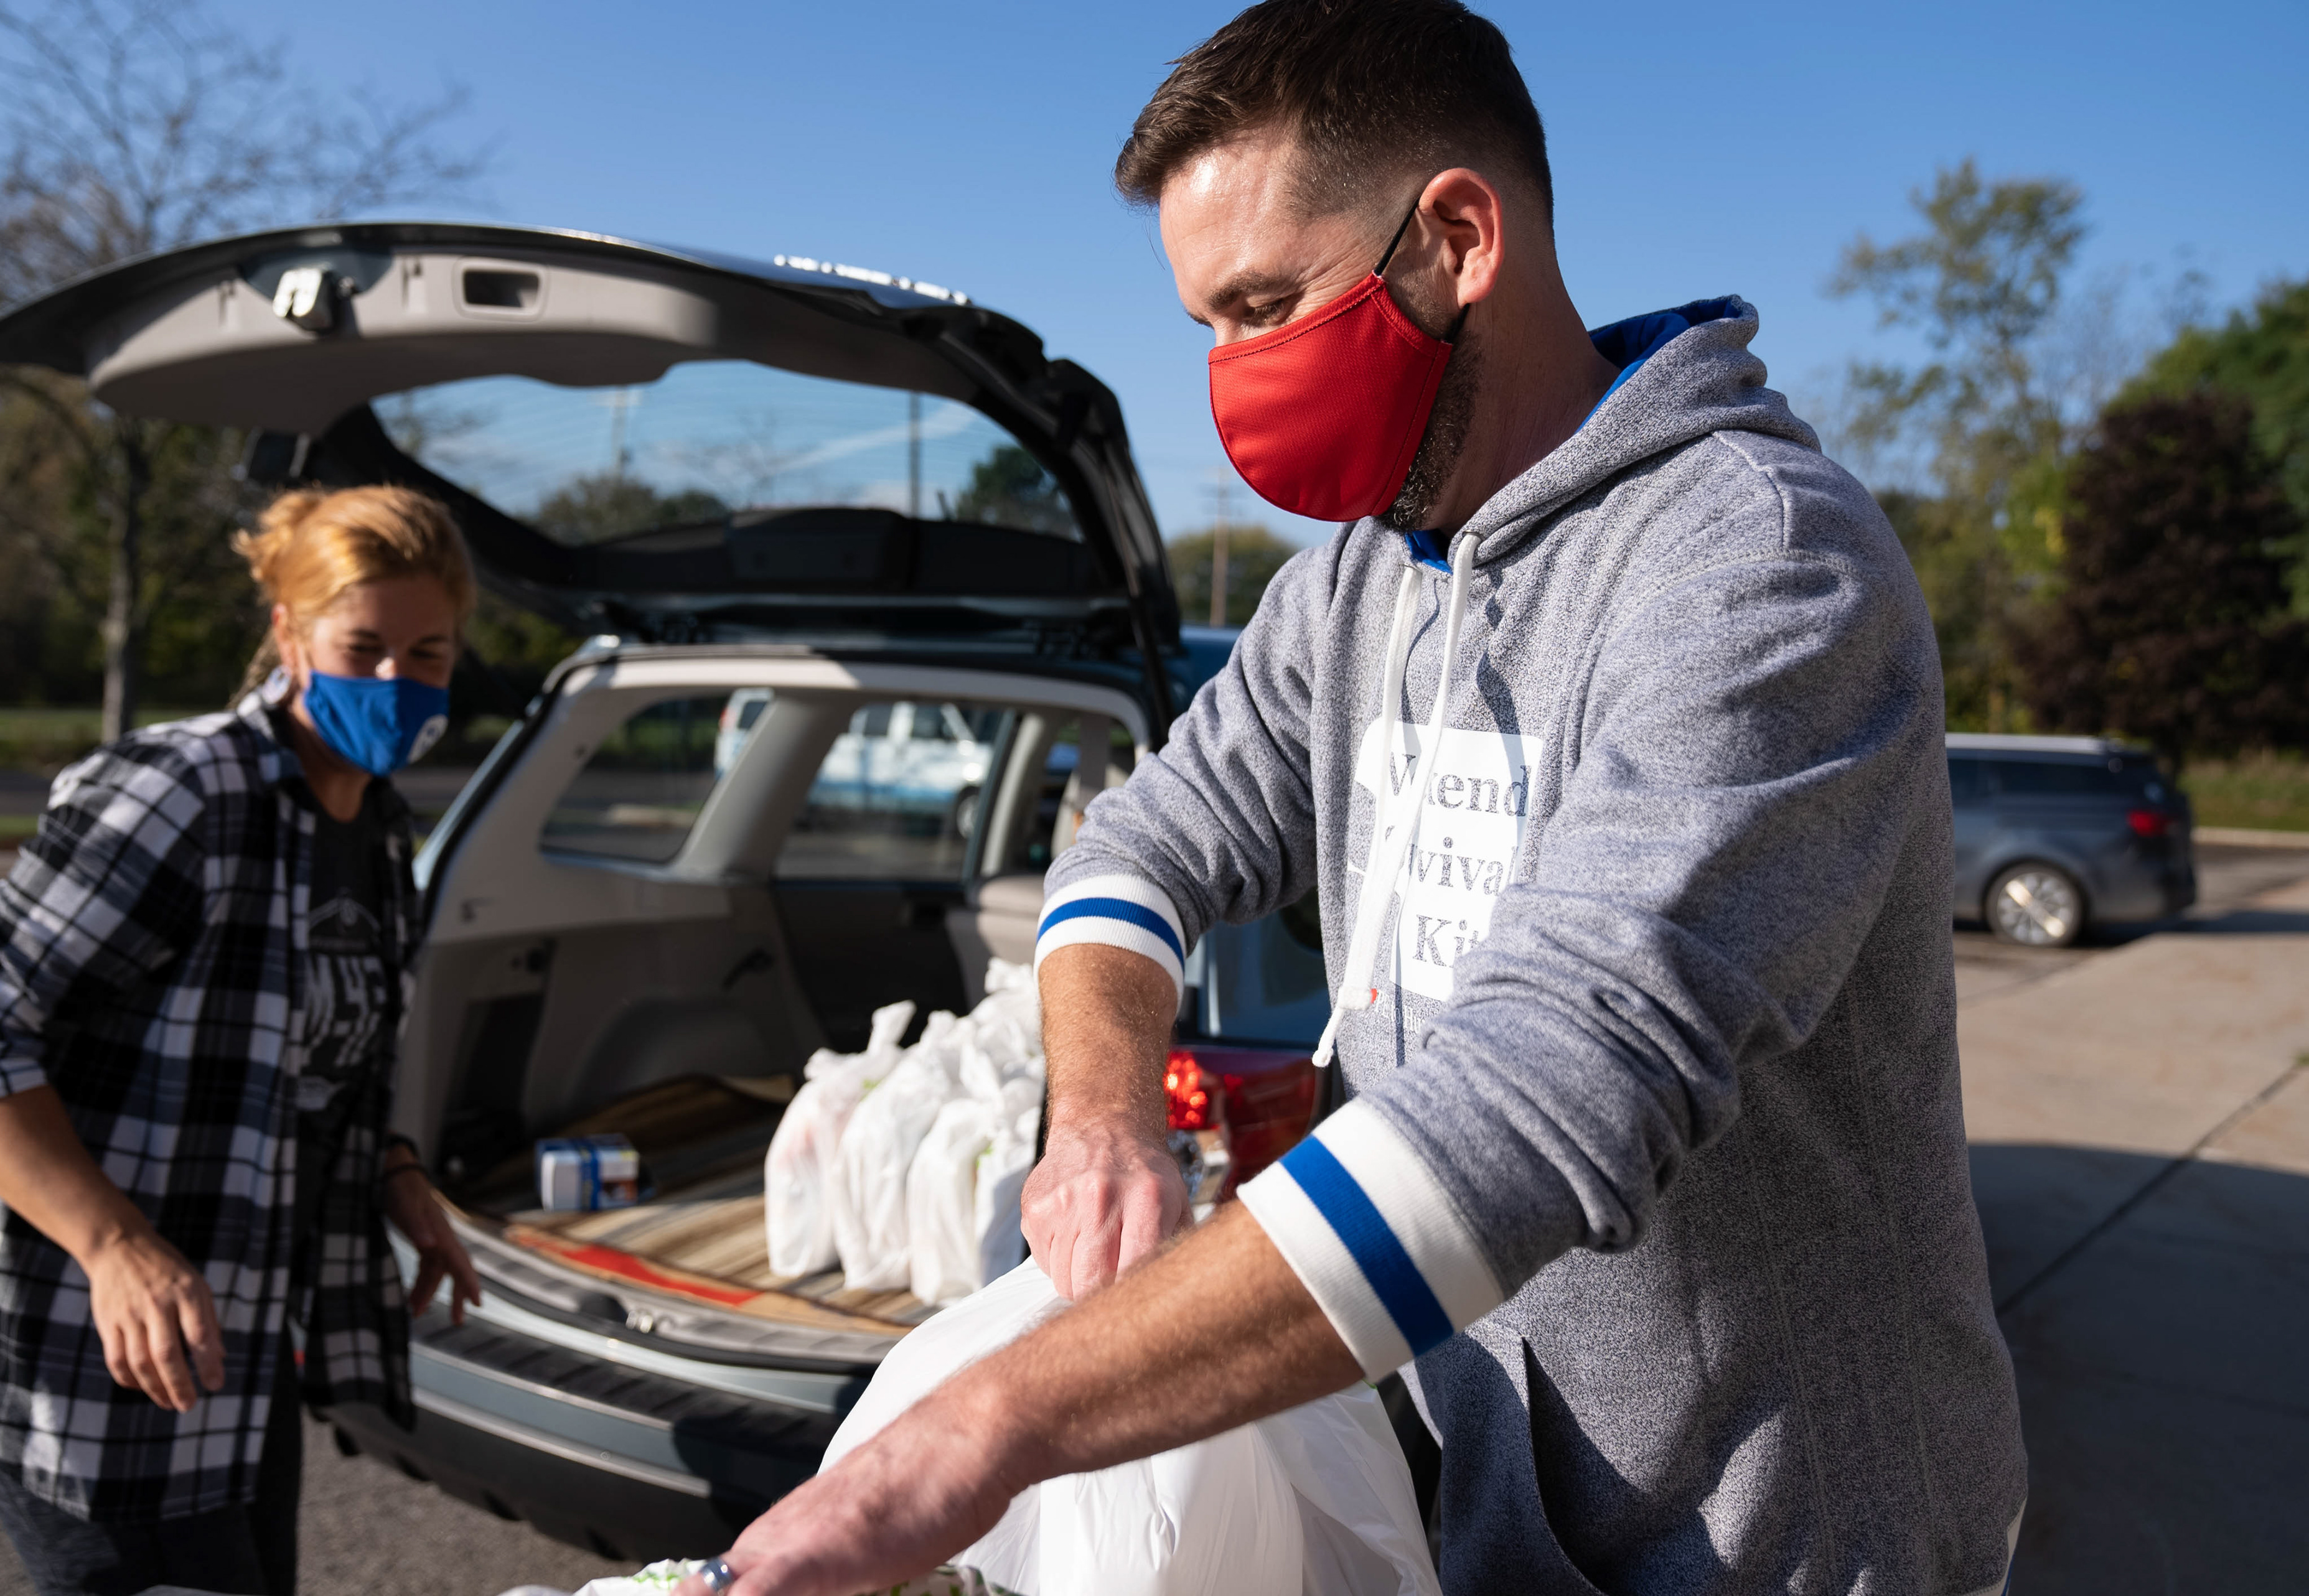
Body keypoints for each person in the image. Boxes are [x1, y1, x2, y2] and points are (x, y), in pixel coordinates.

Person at [700, 2, 2028, 1592]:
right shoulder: (1353, 591)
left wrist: (999, 1419)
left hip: (1783, 1547)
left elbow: (1552, 1093)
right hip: (1486, 1515)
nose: (1233, 375)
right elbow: (1142, 842)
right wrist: (1105, 1111)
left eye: (1265, 304)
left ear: (1457, 235)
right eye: (1205, 323)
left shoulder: (1759, 566)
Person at [0, 485, 485, 1596]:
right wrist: (115, 1244)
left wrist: (396, 1169)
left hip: (232, 1346)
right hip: (81, 1355)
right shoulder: (186, 791)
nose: (393, 683)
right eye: (360, 646)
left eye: (427, 652)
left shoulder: (378, 828)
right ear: (288, 629)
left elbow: (318, 1058)